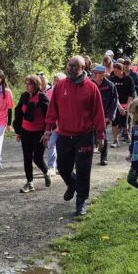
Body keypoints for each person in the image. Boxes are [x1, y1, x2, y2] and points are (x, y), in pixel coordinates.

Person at [42, 56, 107, 216]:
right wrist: (48, 129)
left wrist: (101, 135)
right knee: (63, 168)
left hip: (84, 135)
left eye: (74, 66)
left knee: (83, 170)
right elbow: (52, 109)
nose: (70, 68)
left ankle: (81, 201)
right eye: (69, 65)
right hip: (64, 134)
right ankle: (72, 184)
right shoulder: (60, 86)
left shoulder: (91, 88)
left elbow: (98, 113)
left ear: (83, 68)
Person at [14, 75, 51, 193]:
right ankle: (29, 183)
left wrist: (47, 132)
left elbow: (49, 116)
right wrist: (18, 131)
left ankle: (46, 172)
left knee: (37, 157)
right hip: (26, 131)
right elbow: (19, 113)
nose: (27, 86)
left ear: (36, 85)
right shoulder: (24, 96)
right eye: (26, 83)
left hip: (39, 132)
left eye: (29, 84)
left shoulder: (42, 97)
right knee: (27, 157)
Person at [91, 65, 117, 164]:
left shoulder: (110, 86)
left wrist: (109, 116)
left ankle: (103, 157)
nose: (93, 74)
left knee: (102, 134)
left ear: (101, 74)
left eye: (95, 73)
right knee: (90, 135)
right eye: (93, 72)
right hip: (91, 115)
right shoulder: (90, 84)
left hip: (104, 116)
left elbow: (114, 102)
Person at [108, 62, 136, 148]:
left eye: (116, 71)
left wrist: (128, 105)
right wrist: (118, 106)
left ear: (121, 70)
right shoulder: (112, 79)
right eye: (114, 71)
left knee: (125, 121)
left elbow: (131, 93)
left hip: (126, 102)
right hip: (115, 103)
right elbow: (112, 94)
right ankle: (116, 140)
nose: (115, 73)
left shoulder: (128, 79)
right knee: (114, 122)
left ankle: (126, 133)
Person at [44, 73, 66, 173]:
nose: (56, 83)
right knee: (51, 144)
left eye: (58, 80)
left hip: (65, 125)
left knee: (63, 147)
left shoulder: (68, 91)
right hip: (53, 124)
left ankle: (63, 166)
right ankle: (51, 166)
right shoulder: (50, 92)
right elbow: (49, 109)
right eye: (55, 80)